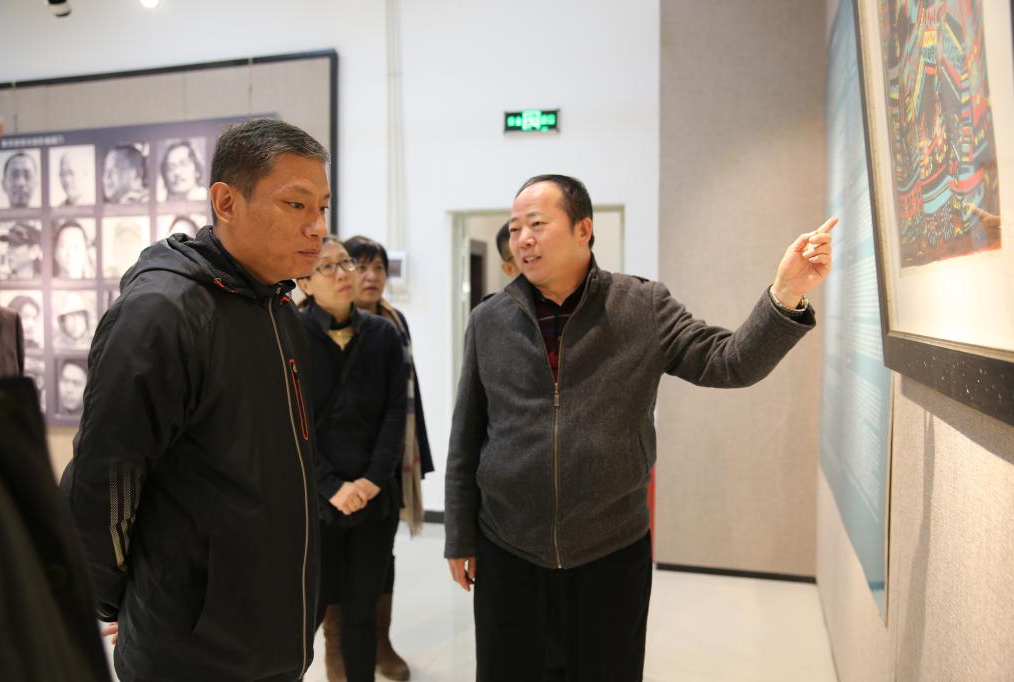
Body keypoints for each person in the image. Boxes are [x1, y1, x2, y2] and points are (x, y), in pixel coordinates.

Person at [445, 174, 836, 681]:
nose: (523, 239)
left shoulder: (641, 306)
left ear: (583, 229)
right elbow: (467, 435)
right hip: (508, 547)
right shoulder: (489, 321)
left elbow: (729, 362)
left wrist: (785, 293)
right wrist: (460, 535)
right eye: (515, 227)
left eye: (537, 224)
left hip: (610, 549)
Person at [63, 118, 330, 682]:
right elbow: (108, 476)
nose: (318, 228)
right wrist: (118, 599)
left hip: (275, 633)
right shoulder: (162, 312)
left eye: (323, 208)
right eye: (296, 205)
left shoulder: (279, 309)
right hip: (191, 648)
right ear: (226, 202)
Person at [297, 236, 406, 682]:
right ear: (304, 282)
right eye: (328, 267)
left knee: (362, 613)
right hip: (314, 502)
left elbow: (396, 413)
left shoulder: (383, 334)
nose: (344, 273)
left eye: (346, 263)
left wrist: (371, 480)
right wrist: (331, 486)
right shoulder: (291, 336)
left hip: (373, 500)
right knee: (306, 614)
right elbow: (291, 424)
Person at [343, 234, 436, 681]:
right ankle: (337, 649)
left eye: (378, 267)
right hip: (336, 468)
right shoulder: (315, 322)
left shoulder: (395, 323)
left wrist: (411, 461)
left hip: (388, 460)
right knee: (335, 561)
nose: (371, 276)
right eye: (360, 266)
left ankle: (381, 643)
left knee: (383, 555)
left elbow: (407, 400)